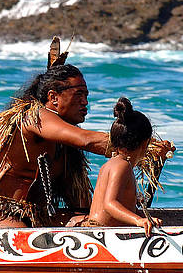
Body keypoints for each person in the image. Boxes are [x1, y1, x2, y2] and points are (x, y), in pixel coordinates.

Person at [0, 61, 173, 229]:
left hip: (36, 214)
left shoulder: (65, 143)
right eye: (78, 94)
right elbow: (87, 140)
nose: (85, 102)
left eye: (86, 95)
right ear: (53, 97)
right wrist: (145, 145)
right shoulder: (34, 116)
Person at [69, 98, 163, 235]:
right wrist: (138, 221)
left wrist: (143, 217)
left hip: (96, 227)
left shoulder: (112, 163)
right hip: (100, 232)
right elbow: (110, 204)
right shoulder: (122, 166)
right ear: (145, 143)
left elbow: (122, 207)